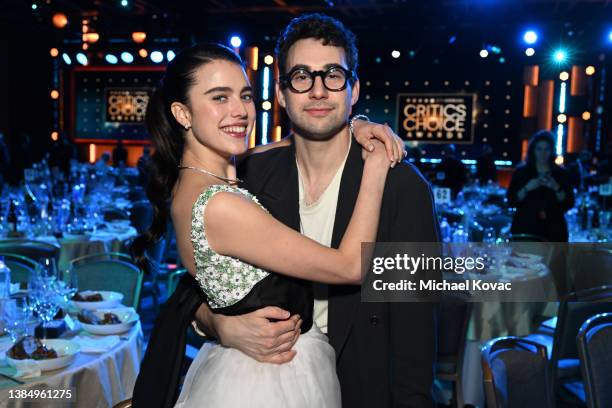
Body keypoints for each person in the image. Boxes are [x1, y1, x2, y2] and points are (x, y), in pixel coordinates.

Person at [178, 14, 438, 408]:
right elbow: (200, 279)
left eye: (333, 75)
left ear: (353, 91)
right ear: (281, 94)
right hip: (267, 385)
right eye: (301, 76)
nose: (318, 91)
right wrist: (216, 323)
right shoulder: (250, 176)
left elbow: (415, 331)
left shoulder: (402, 187)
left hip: (362, 387)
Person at [131, 40, 406, 408]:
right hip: (268, 380)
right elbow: (351, 266)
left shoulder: (206, 178)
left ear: (352, 89)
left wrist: (354, 124)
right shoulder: (221, 203)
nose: (240, 111)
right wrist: (374, 164)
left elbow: (416, 311)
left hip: (356, 372)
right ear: (183, 113)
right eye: (219, 97)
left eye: (244, 96)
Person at [507, 130, 575, 241]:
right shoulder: (522, 172)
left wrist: (555, 187)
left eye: (546, 149)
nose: (543, 154)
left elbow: (569, 203)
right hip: (526, 229)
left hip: (554, 231)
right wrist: (527, 188)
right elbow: (511, 200)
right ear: (533, 150)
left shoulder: (562, 174)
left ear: (552, 151)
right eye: (539, 149)